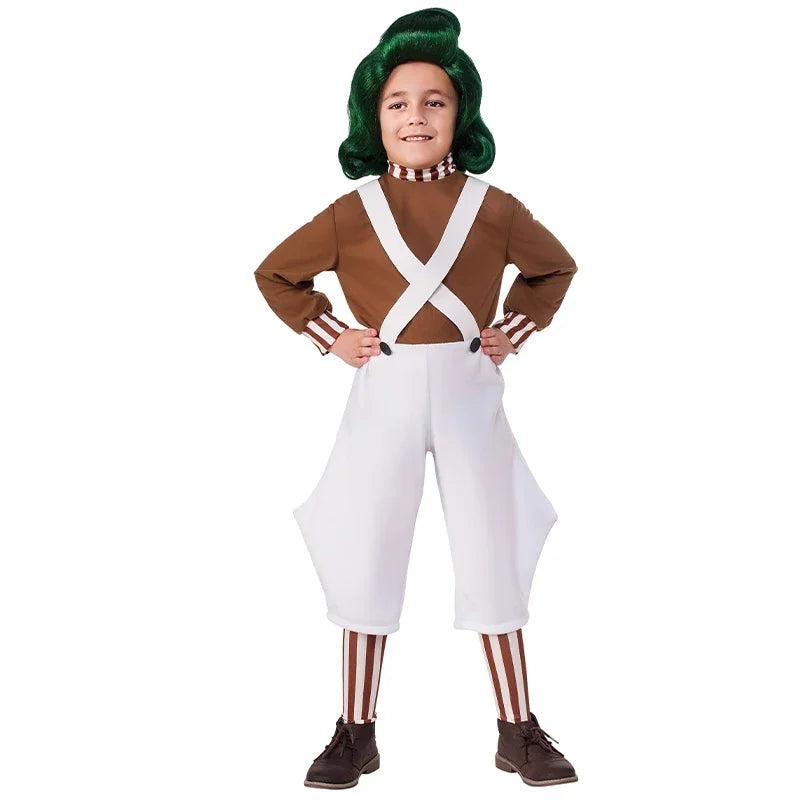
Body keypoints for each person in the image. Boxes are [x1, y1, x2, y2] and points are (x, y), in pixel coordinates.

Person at [253, 7, 579, 790]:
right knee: (365, 550)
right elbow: (275, 274)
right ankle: (355, 730)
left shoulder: (494, 208)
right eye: (397, 103)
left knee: (494, 549)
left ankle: (518, 729)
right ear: (373, 117)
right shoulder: (352, 212)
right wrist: (330, 334)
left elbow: (555, 268)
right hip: (385, 392)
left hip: (471, 396)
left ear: (461, 112)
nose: (416, 116)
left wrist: (513, 330)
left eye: (435, 101)